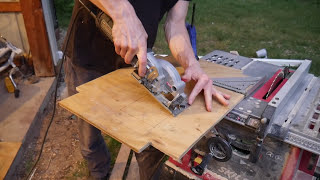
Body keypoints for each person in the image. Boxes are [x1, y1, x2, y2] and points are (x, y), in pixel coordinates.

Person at [63, 0, 230, 179]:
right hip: (88, 57)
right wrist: (122, 11)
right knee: (90, 137)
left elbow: (175, 25)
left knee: (149, 138)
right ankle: (99, 173)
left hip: (136, 63)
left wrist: (191, 64)